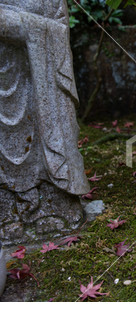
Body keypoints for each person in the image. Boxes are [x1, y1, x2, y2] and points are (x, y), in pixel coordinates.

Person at [0, 0, 89, 243]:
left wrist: (23, 25)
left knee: (52, 132)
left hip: (43, 82)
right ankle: (8, 209)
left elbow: (58, 26)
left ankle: (53, 203)